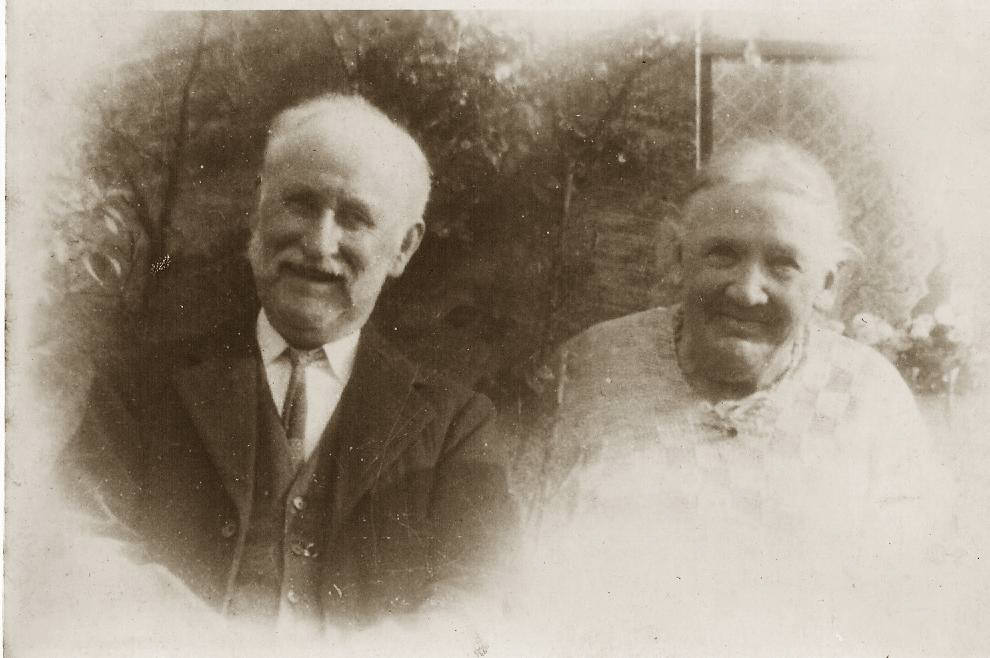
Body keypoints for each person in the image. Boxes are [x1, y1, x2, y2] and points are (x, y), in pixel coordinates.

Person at [58, 93, 515, 634]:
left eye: (355, 218)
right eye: (299, 203)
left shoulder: (456, 428)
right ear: (257, 209)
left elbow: (478, 602)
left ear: (403, 248)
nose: (319, 243)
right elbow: (73, 547)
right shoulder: (139, 388)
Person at [519, 138, 952, 653]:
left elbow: (905, 601)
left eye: (783, 264)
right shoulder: (593, 366)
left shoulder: (868, 398)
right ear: (674, 255)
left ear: (828, 282)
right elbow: (521, 562)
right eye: (722, 253)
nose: (747, 291)